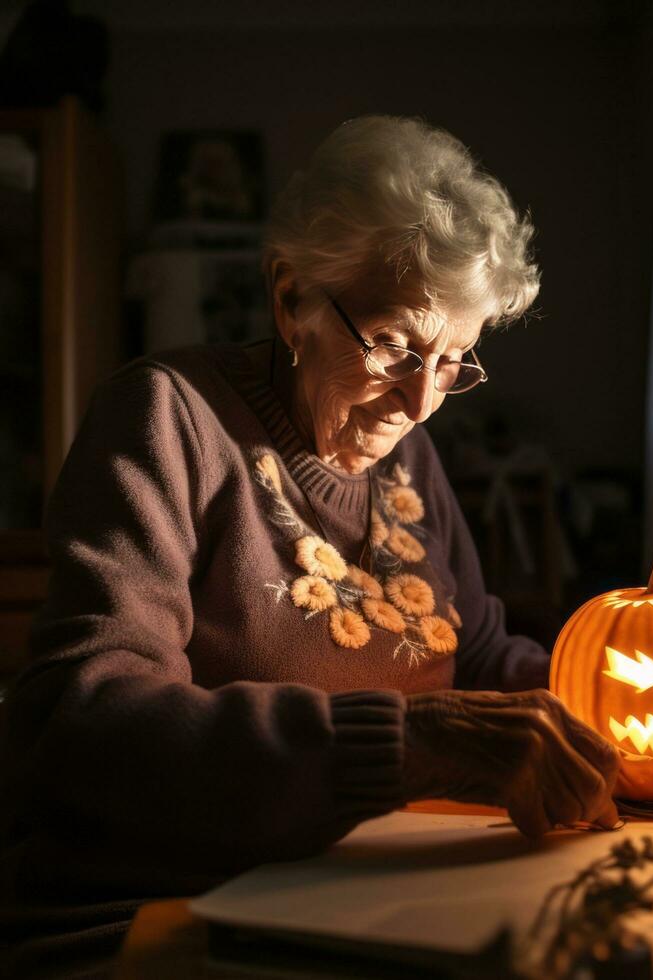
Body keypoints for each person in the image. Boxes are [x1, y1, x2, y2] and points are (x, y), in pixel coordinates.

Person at [0, 115, 619, 973]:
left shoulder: (411, 455)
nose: (420, 400)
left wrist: (608, 700)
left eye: (455, 361)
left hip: (372, 895)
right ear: (291, 299)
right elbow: (86, 719)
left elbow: (475, 651)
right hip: (157, 909)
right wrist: (402, 743)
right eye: (396, 343)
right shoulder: (167, 418)